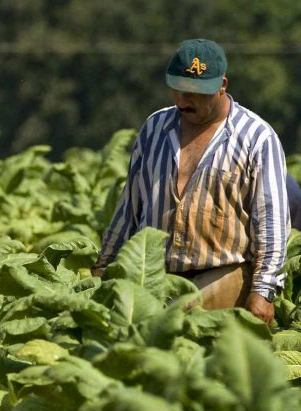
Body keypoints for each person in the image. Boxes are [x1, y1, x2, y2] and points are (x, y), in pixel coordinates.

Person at [94, 39, 289, 325]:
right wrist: (103, 267)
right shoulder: (154, 129)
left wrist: (263, 291)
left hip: (223, 280)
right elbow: (129, 208)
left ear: (222, 85)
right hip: (156, 280)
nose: (183, 100)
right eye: (178, 89)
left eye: (196, 93)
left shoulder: (256, 138)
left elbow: (271, 222)